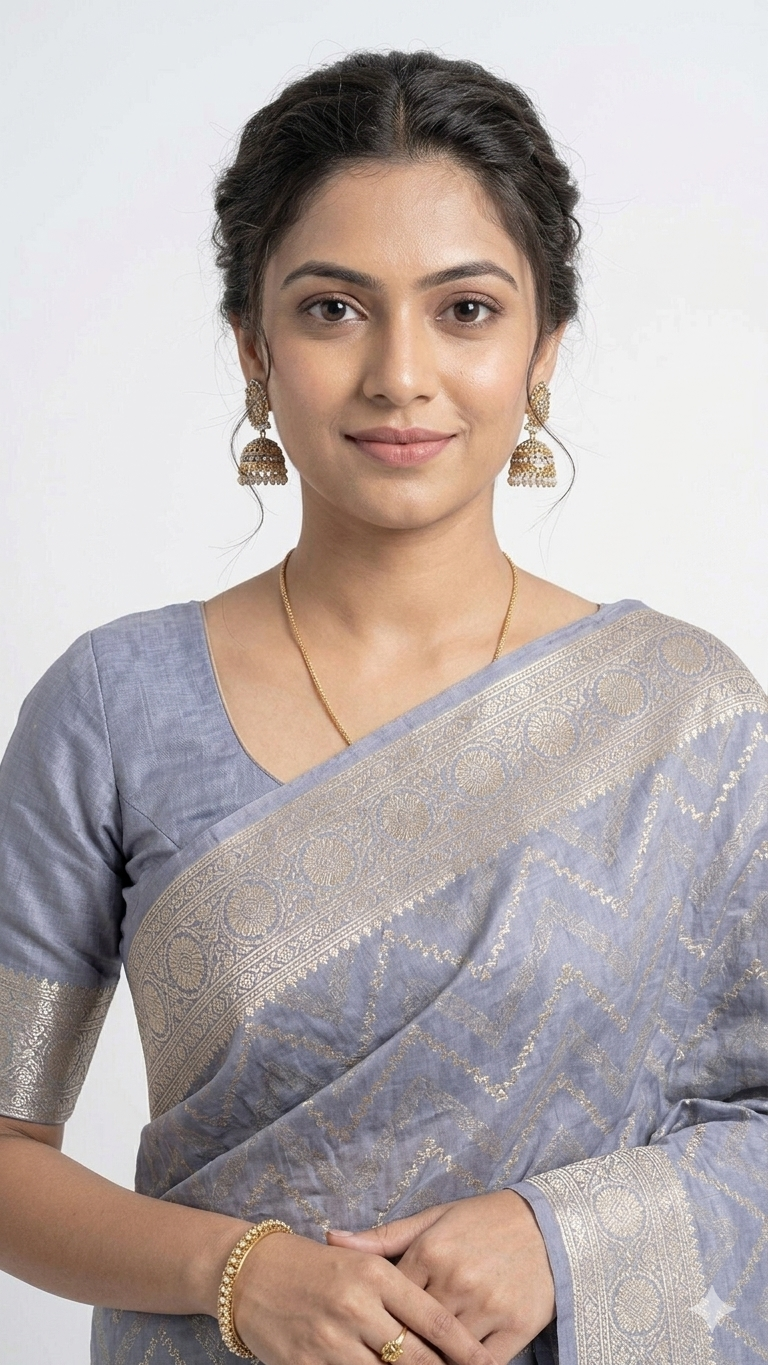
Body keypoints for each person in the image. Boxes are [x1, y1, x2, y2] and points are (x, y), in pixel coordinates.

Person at [0, 48, 765, 1365]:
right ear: (254, 344)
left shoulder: (682, 714)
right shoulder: (113, 708)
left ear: (543, 348)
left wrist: (560, 1236)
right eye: (334, 310)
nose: (400, 373)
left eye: (465, 310)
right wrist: (236, 1271)